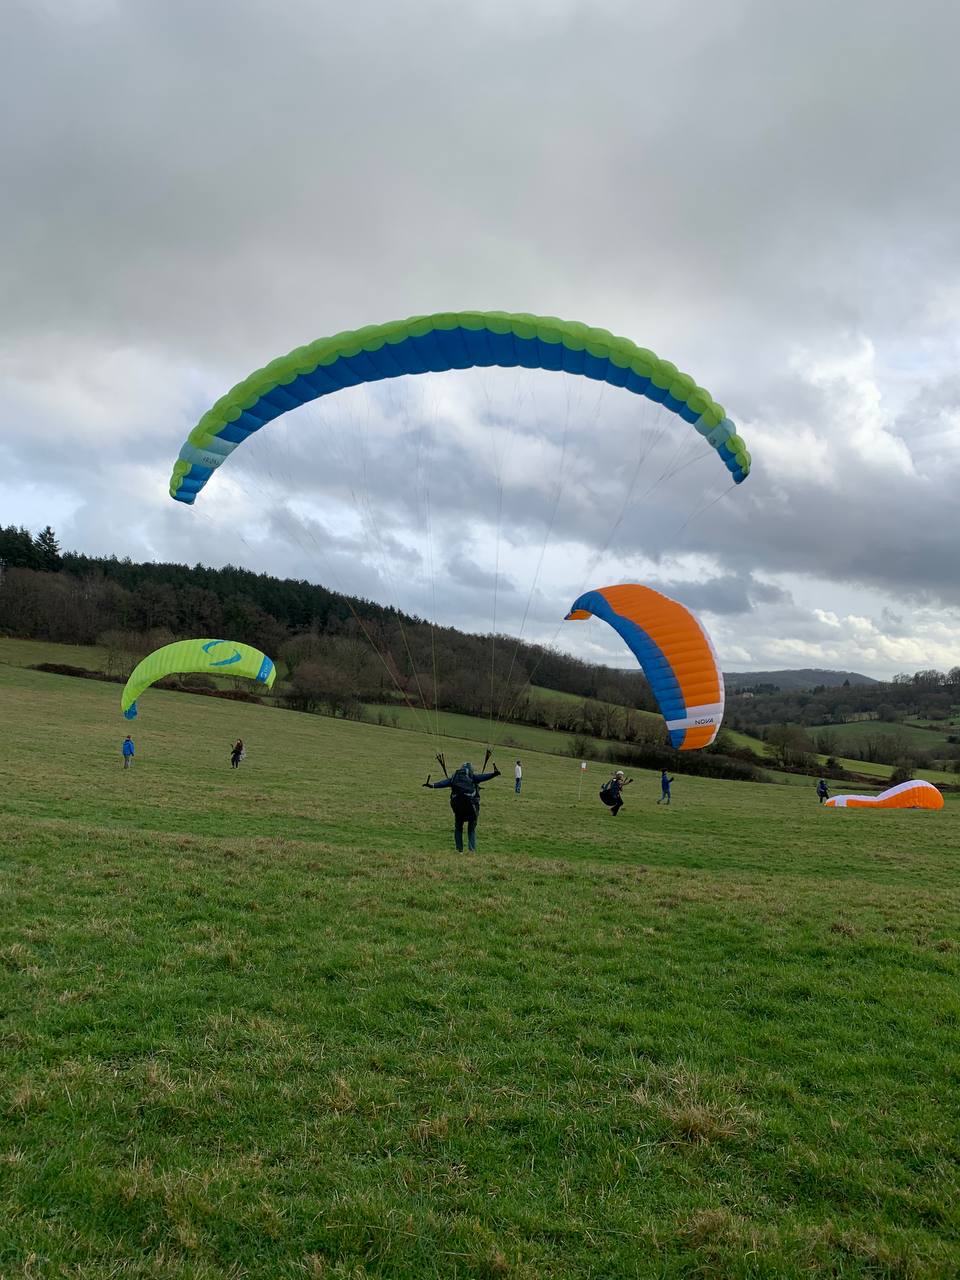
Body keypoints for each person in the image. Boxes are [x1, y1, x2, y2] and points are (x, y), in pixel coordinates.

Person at [424, 760, 501, 852]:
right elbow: (483, 777)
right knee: (471, 829)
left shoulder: (454, 778)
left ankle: (459, 850)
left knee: (458, 828)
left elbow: (443, 783)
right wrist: (494, 774)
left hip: (458, 807)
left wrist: (432, 785)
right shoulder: (472, 777)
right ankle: (471, 850)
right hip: (471, 807)